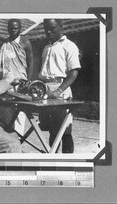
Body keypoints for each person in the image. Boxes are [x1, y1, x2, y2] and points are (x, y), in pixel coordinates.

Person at [39, 19, 81, 153]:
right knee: (52, 130)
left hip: (61, 89)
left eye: (52, 28)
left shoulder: (69, 45)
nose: (48, 31)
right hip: (46, 89)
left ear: (61, 27)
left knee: (65, 131)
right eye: (46, 29)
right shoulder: (47, 47)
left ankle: (67, 162)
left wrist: (58, 90)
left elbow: (73, 73)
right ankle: (53, 160)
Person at [0, 19, 34, 135]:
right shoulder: (4, 43)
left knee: (19, 111)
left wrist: (28, 81)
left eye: (15, 28)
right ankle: (4, 137)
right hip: (6, 82)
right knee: (4, 110)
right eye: (10, 27)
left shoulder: (25, 42)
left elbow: (31, 62)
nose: (13, 30)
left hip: (21, 82)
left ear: (20, 29)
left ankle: (18, 138)